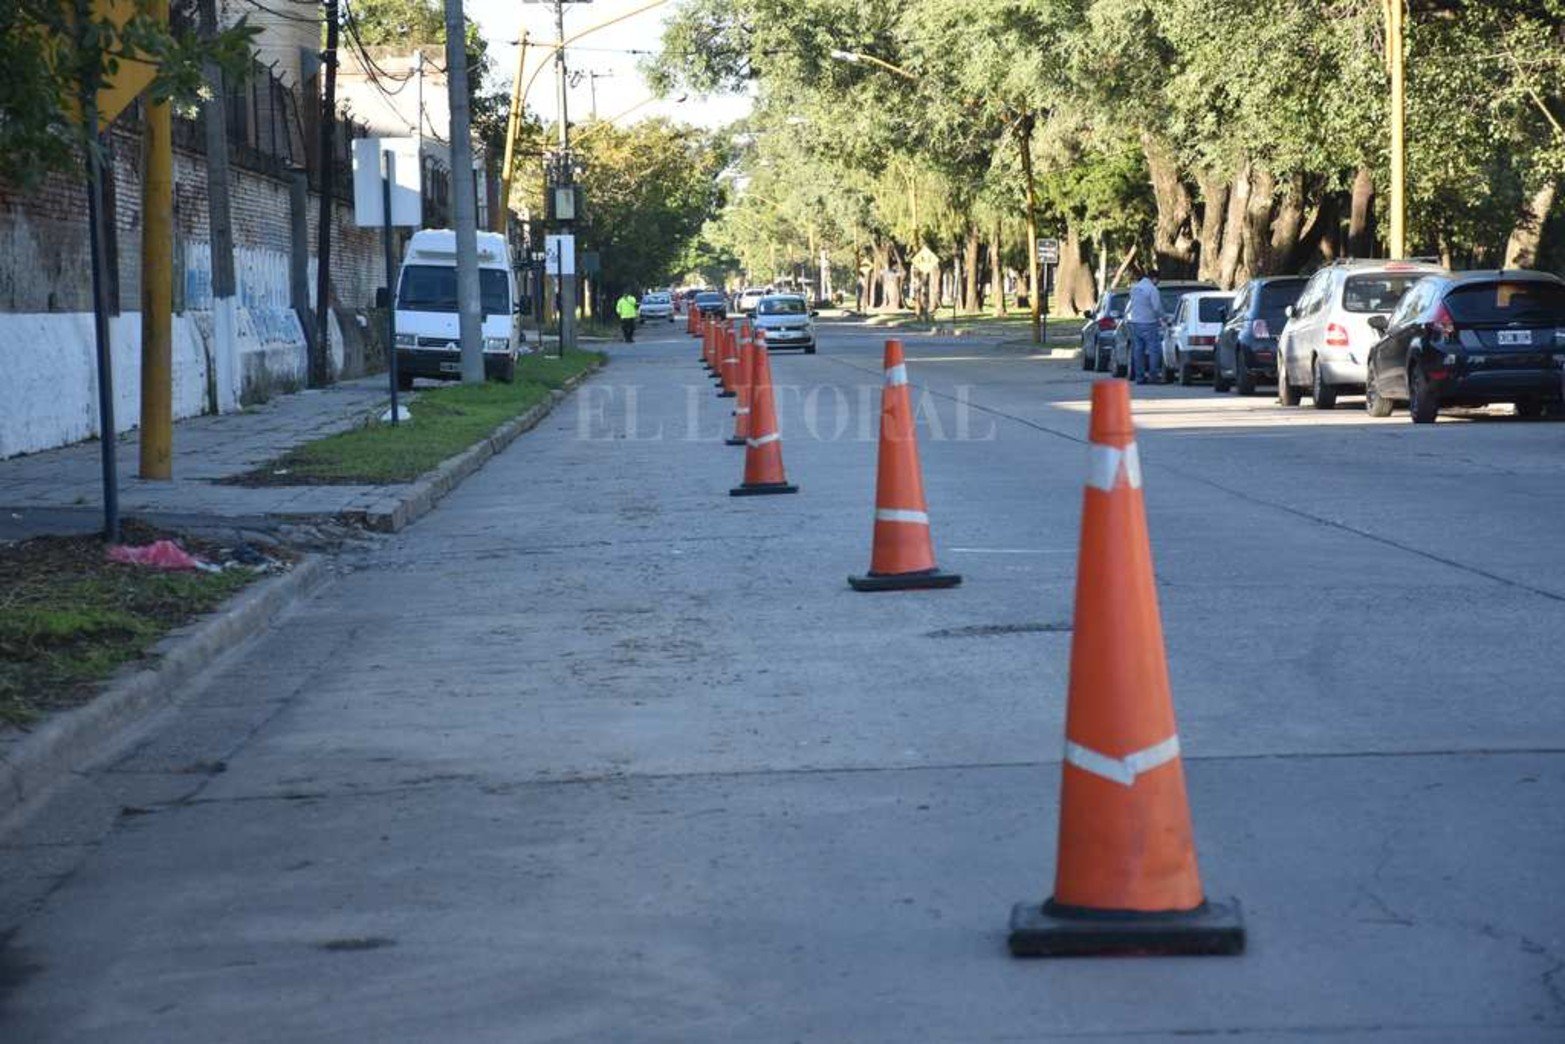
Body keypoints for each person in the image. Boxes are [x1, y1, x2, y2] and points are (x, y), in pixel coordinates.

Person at [1123, 268, 1166, 384]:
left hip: (1135, 323)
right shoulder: (1152, 289)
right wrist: (1163, 317)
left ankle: (1139, 377)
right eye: (1157, 280)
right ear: (1154, 279)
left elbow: (1131, 304)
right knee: (1154, 350)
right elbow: (1157, 307)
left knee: (1138, 350)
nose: (1157, 283)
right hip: (1149, 323)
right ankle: (1153, 376)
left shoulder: (1135, 288)